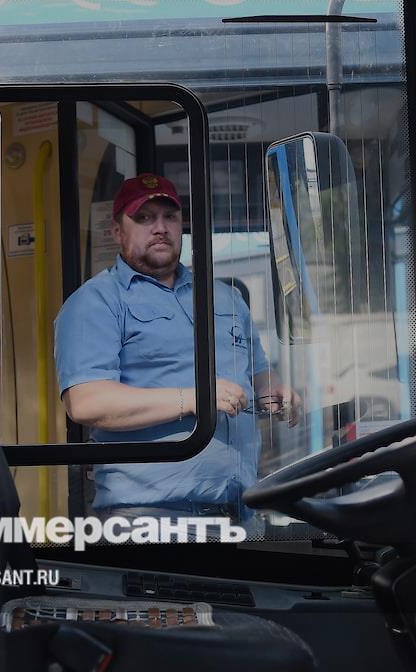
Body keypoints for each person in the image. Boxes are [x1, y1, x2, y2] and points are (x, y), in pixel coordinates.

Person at [54, 173, 300, 536]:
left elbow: (258, 372)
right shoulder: (96, 302)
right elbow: (86, 402)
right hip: (150, 520)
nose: (160, 228)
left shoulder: (225, 297)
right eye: (144, 218)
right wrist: (193, 399)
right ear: (117, 231)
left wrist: (274, 391)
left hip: (242, 515)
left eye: (169, 217)